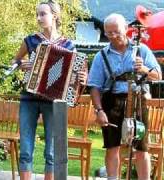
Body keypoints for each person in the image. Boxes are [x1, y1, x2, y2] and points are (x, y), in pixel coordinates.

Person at [12, 1, 87, 180]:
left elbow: (78, 75)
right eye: (37, 14)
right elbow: (14, 63)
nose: (39, 18)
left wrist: (83, 78)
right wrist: (22, 65)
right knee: (26, 150)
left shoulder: (68, 45)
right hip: (29, 99)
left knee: (51, 153)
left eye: (43, 14)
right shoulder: (30, 40)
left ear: (54, 16)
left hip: (53, 103)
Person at [88, 13, 162, 180]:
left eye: (116, 32)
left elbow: (158, 75)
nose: (113, 36)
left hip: (137, 100)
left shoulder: (141, 50)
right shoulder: (102, 55)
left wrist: (143, 69)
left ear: (126, 29)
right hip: (112, 102)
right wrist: (99, 110)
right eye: (108, 33)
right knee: (112, 146)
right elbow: (94, 86)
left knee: (141, 148)